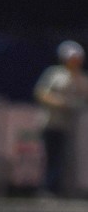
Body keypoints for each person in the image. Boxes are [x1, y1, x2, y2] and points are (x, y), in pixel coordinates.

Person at [34, 39, 88, 196]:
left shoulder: (82, 78)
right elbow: (41, 93)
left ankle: (68, 189)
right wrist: (61, 103)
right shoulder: (55, 74)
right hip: (52, 122)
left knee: (71, 158)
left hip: (74, 126)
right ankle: (48, 188)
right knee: (52, 156)